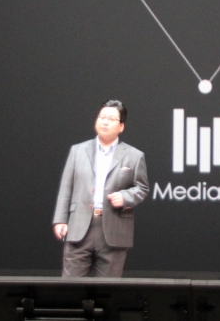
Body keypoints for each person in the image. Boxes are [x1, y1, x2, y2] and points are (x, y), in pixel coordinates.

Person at [52, 100, 149, 277]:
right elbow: (66, 187)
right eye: (102, 117)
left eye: (111, 119)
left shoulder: (134, 155)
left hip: (114, 229)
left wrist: (125, 197)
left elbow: (142, 188)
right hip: (79, 226)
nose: (105, 122)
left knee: (107, 289)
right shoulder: (78, 151)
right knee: (71, 287)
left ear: (121, 126)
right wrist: (60, 219)